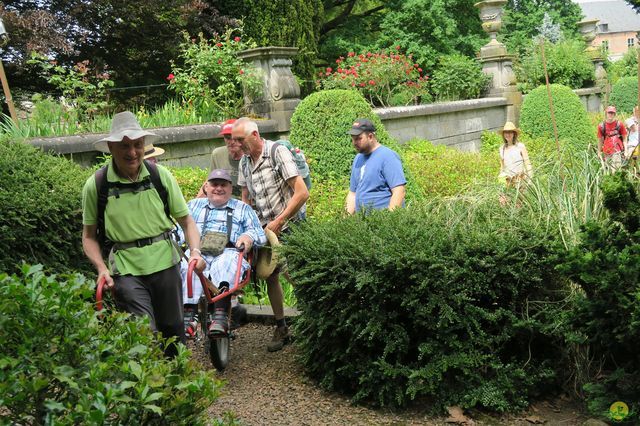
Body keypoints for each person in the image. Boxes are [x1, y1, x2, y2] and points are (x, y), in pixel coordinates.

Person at [81, 111, 205, 358]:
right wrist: (101, 268)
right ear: (111, 148)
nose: (132, 152)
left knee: (173, 330)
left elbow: (186, 221)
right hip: (126, 270)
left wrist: (195, 251)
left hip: (165, 263)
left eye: (137, 145)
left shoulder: (160, 177)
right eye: (124, 146)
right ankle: (150, 390)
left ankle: (177, 386)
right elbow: (89, 236)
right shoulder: (97, 184)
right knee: (142, 332)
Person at [234, 117, 309, 352]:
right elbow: (245, 199)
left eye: (240, 139)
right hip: (265, 231)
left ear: (254, 135)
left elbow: (301, 193)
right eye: (234, 140)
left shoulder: (277, 153)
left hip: (289, 227)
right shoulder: (244, 163)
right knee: (270, 276)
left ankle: (312, 323)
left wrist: (280, 221)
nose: (236, 145)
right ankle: (281, 327)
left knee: (297, 276)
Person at [179, 169, 266, 336]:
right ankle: (188, 314)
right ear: (206, 187)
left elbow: (259, 233)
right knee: (187, 264)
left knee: (226, 263)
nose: (218, 188)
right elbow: (179, 229)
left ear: (230, 188)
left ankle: (221, 316)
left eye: (223, 184)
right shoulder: (192, 205)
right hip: (198, 251)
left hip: (229, 251)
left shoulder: (243, 208)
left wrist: (247, 237)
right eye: (214, 184)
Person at [345, 118, 406, 214]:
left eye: (358, 139)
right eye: (353, 139)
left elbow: (399, 191)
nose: (354, 143)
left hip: (382, 224)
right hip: (362, 223)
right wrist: (346, 220)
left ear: (370, 136)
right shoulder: (358, 158)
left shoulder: (387, 156)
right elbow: (353, 194)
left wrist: (390, 220)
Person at [498, 121, 533, 187]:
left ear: (514, 134)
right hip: (507, 180)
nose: (508, 134)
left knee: (519, 197)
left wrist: (529, 179)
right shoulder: (502, 148)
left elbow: (527, 163)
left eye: (510, 132)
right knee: (505, 196)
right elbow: (502, 167)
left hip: (519, 179)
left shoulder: (520, 146)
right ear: (503, 134)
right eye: (506, 132)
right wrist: (501, 182)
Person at [597, 106, 627, 170]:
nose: (610, 114)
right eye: (609, 113)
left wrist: (626, 151)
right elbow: (600, 140)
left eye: (612, 113)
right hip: (606, 151)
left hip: (617, 150)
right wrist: (599, 151)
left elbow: (625, 138)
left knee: (616, 170)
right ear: (606, 113)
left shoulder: (619, 124)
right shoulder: (601, 126)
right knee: (608, 170)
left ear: (614, 114)